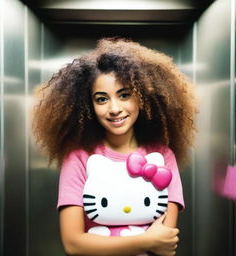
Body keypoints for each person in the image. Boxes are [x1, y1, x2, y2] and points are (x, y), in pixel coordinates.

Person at [32, 37, 197, 256]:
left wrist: (151, 242)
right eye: (101, 99)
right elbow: (73, 244)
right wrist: (147, 240)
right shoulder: (79, 158)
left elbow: (165, 243)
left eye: (124, 95)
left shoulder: (162, 156)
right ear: (88, 106)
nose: (114, 108)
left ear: (141, 98)